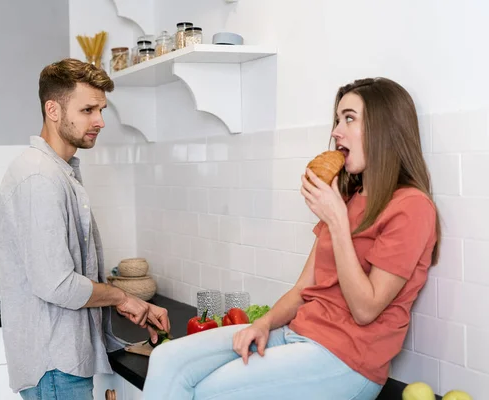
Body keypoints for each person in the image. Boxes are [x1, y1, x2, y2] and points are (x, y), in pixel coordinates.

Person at [142, 77, 441, 400]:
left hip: (348, 361)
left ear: (384, 128)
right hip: (297, 333)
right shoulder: (348, 198)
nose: (335, 131)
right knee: (167, 358)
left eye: (349, 118)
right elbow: (302, 290)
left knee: (209, 393)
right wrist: (263, 324)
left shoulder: (411, 207)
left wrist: (337, 221)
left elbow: (366, 309)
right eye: (337, 119)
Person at [0, 58, 170, 399]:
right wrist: (123, 297)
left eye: (101, 110)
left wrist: (132, 304)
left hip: (63, 360)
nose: (100, 121)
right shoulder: (39, 177)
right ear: (53, 109)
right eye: (88, 109)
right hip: (55, 364)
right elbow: (57, 284)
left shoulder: (58, 171)